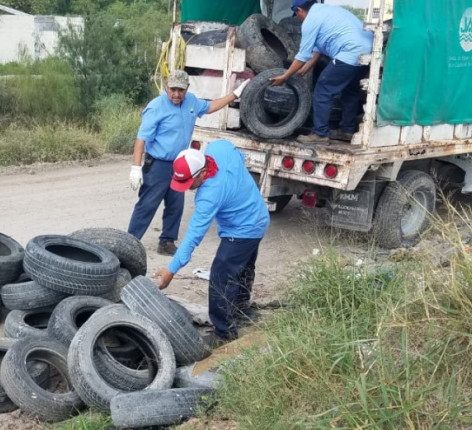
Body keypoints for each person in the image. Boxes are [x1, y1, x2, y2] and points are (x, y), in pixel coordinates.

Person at [154, 140, 269, 347]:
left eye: (189, 183)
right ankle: (242, 309)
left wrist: (171, 269)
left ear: (203, 173)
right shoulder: (218, 148)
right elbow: (240, 156)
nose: (187, 189)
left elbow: (193, 236)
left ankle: (225, 332)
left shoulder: (209, 195)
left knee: (220, 277)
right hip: (259, 216)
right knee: (244, 266)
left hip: (241, 230)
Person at [128, 70, 249, 256]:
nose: (177, 94)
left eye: (181, 90)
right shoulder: (156, 107)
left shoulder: (191, 101)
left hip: (179, 162)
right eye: (173, 90)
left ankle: (167, 242)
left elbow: (210, 106)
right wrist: (136, 167)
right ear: (166, 87)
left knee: (176, 204)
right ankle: (130, 243)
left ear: (187, 89)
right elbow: (141, 138)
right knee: (147, 204)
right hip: (158, 164)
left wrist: (234, 95)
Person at [270, 0, 373, 144]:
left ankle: (320, 134)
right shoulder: (325, 12)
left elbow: (302, 55)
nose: (297, 19)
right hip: (368, 52)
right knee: (350, 92)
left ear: (299, 10)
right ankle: (347, 130)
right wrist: (304, 69)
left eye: (296, 15)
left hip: (350, 52)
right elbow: (316, 51)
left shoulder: (310, 21)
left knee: (323, 91)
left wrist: (286, 76)